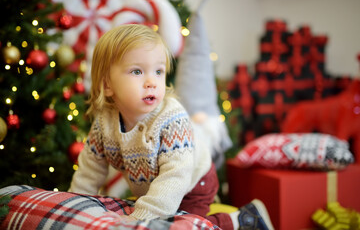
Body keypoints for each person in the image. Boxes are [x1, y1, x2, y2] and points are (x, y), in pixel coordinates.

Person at [68, 24, 274, 230]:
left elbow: (175, 176)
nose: (151, 81)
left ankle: (242, 220)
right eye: (137, 71)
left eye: (158, 71)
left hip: (193, 182)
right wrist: (75, 206)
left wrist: (143, 218)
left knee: (182, 226)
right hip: (155, 186)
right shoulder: (104, 122)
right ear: (107, 85)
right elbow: (90, 169)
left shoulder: (171, 119)